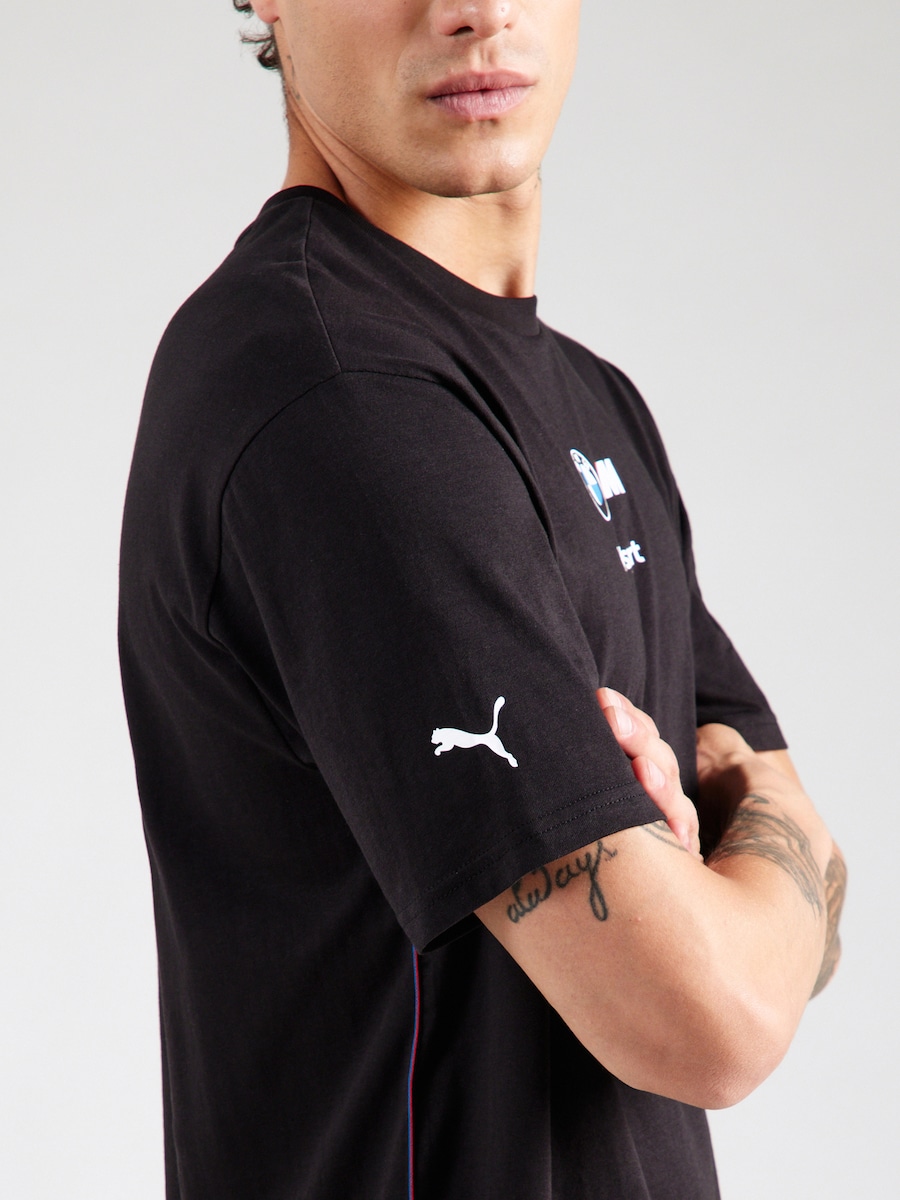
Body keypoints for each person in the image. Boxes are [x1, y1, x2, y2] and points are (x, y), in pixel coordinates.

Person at [118, 2, 846, 1197]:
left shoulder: (590, 400)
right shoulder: (335, 397)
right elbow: (714, 1019)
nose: (478, 9)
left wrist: (736, 871)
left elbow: (808, 880)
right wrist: (739, 866)